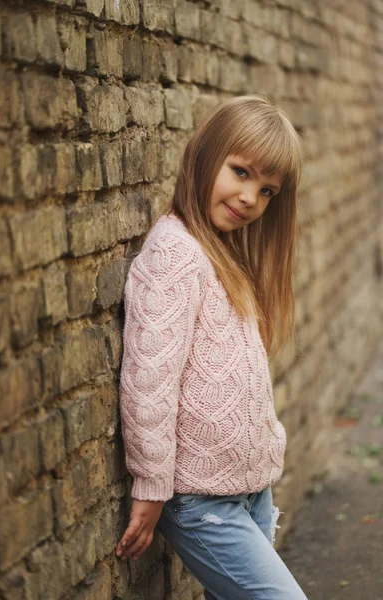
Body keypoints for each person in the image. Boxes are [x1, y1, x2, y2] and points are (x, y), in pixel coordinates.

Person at [115, 94, 308, 599]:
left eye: (266, 190)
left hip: (249, 491)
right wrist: (152, 487)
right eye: (240, 172)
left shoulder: (218, 252)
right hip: (201, 502)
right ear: (205, 156)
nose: (250, 197)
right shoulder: (175, 255)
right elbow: (150, 380)